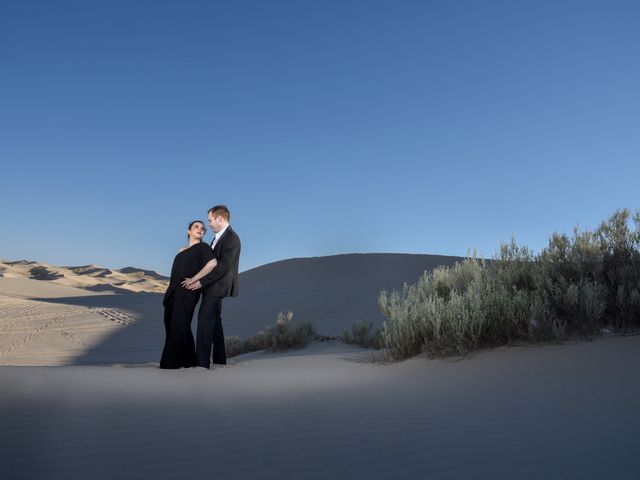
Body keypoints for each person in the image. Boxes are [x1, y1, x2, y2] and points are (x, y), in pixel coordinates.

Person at [182, 205, 241, 368]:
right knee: (215, 324)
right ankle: (220, 361)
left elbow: (224, 267)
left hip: (217, 286)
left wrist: (200, 281)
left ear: (219, 218)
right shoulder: (218, 237)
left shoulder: (232, 238)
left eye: (210, 220)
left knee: (204, 321)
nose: (208, 224)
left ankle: (201, 364)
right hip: (211, 285)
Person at [160, 220, 217, 369]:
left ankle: (172, 363)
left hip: (187, 291)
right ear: (188, 231)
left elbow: (212, 264)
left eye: (203, 228)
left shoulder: (203, 247)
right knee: (172, 325)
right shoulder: (181, 250)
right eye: (196, 227)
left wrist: (194, 278)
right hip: (173, 291)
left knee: (180, 324)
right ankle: (187, 360)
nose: (200, 229)